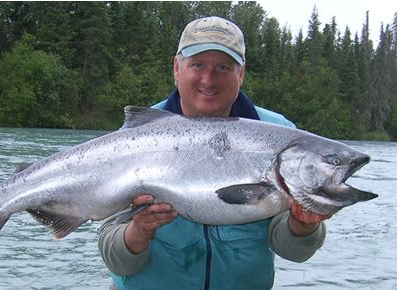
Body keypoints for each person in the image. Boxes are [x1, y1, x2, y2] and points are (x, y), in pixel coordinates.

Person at [98, 16, 329, 290]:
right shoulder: (136, 139)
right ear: (177, 68)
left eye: (223, 67)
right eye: (198, 65)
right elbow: (117, 261)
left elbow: (294, 252)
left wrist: (304, 225)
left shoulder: (281, 137)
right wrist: (138, 231)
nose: (209, 79)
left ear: (240, 73)